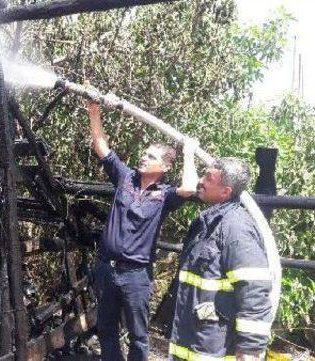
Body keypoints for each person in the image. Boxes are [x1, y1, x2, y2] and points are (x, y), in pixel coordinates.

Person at [87, 98, 197, 361]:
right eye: (145, 153)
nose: (144, 157)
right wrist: (94, 110)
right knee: (106, 328)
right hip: (106, 268)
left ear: (166, 167)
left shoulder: (166, 196)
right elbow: (101, 146)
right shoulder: (125, 177)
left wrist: (189, 150)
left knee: (138, 335)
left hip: (136, 276)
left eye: (151, 156)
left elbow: (190, 187)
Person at [169, 156, 273, 361]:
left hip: (213, 344)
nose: (200, 181)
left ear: (226, 192)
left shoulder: (236, 228)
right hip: (194, 336)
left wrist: (250, 348)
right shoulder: (209, 222)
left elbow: (254, 288)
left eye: (208, 178)